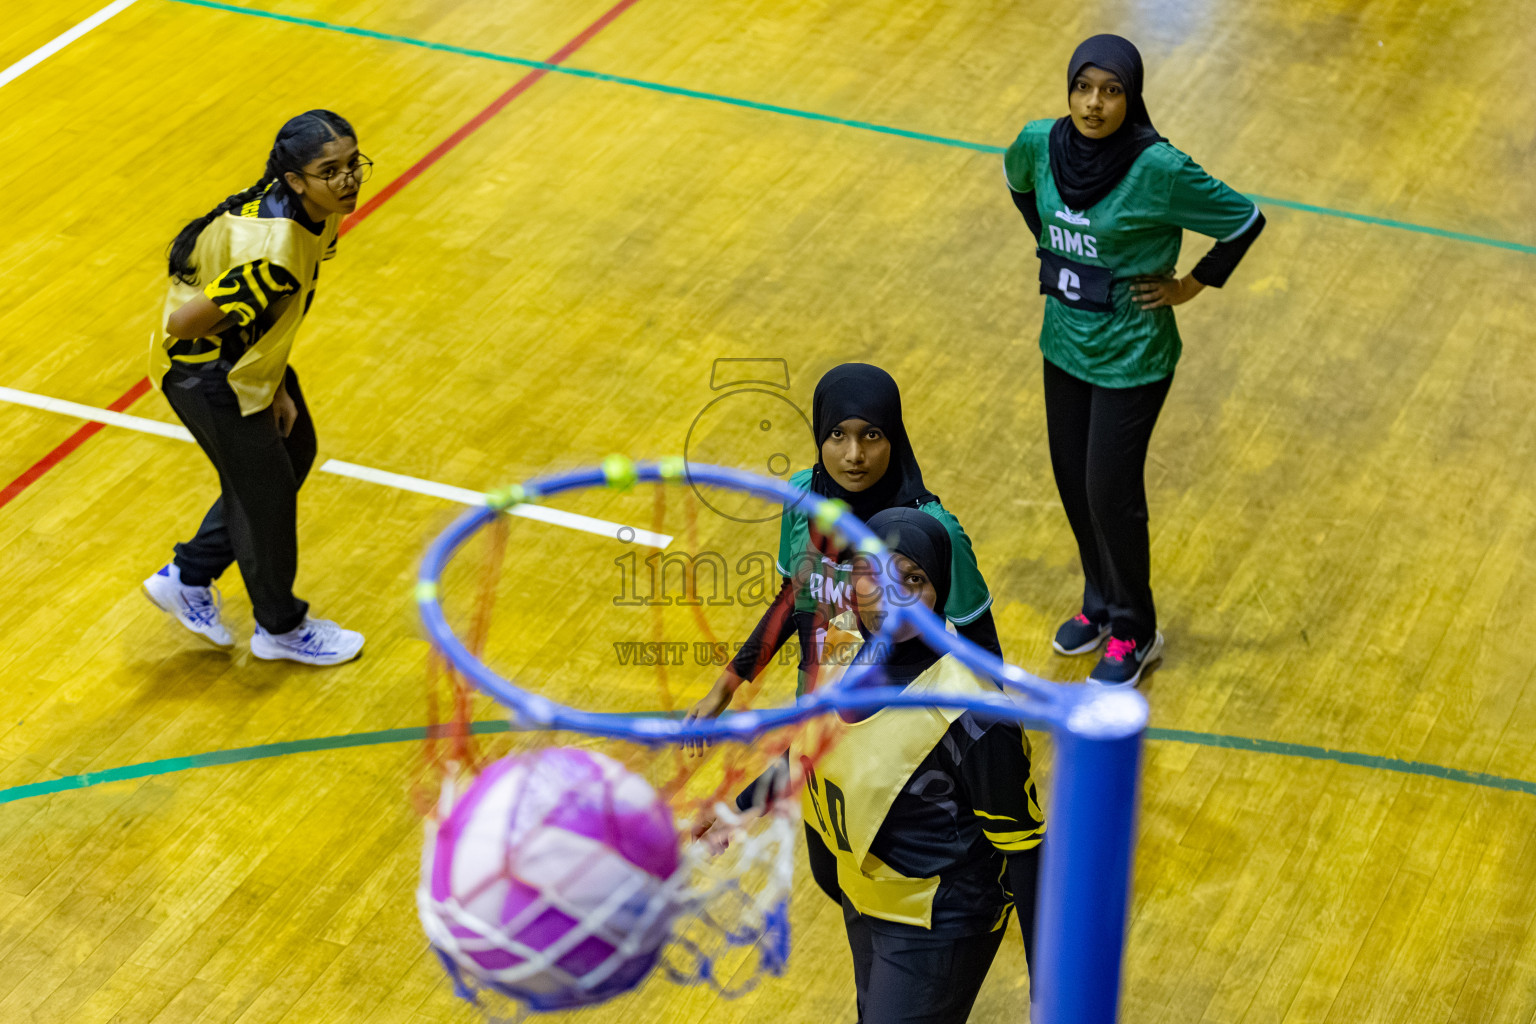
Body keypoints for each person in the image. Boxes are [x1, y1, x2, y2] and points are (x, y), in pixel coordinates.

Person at [707, 507, 1046, 1024]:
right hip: (865, 896)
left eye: (914, 579)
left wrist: (1048, 987)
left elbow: (1024, 849)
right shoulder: (841, 642)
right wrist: (739, 809)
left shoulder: (974, 715)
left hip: (940, 920)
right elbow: (808, 748)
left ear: (941, 590)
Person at [1004, 34, 1265, 687]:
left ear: (1132, 96)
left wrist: (1189, 286)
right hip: (1064, 340)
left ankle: (1135, 629)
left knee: (1108, 491)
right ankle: (1099, 601)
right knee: (1072, 480)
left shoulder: (1158, 168)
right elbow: (1019, 185)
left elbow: (1243, 219)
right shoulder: (1038, 142)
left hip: (1133, 353)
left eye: (1112, 91)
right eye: (1083, 88)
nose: (1094, 104)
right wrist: (1054, 244)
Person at [140, 110, 370, 666]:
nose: (347, 180)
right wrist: (257, 384)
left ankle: (187, 577)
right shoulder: (274, 247)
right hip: (208, 375)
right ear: (295, 180)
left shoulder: (314, 210)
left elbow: (273, 312)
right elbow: (185, 325)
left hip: (245, 364)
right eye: (329, 171)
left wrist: (276, 379)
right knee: (266, 499)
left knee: (293, 453)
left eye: (352, 163)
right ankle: (280, 629)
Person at [687, 362, 1000, 721]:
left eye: (872, 435)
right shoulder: (803, 495)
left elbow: (982, 649)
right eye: (837, 434)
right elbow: (794, 597)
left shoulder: (934, 529)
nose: (854, 455)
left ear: (893, 437)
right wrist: (725, 686)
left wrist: (990, 739)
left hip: (901, 725)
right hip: (816, 714)